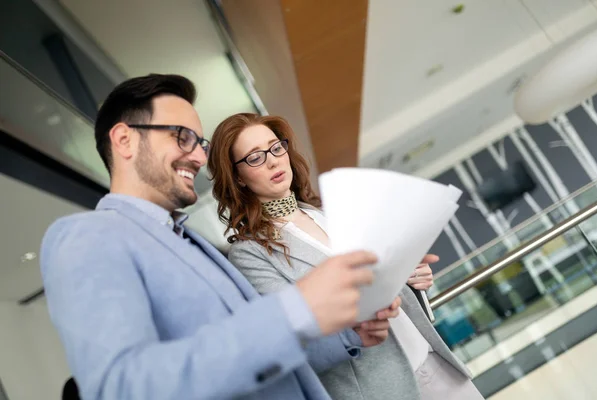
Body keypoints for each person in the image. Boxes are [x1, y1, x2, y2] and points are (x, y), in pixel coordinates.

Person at [40, 74, 402, 400]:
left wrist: (347, 336)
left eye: (200, 142)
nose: (198, 156)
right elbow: (121, 388)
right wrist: (294, 309)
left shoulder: (192, 242)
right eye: (182, 137)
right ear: (124, 140)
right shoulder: (85, 237)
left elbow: (261, 352)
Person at [207, 113, 485, 400]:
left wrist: (412, 279)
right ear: (237, 177)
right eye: (255, 157)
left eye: (276, 147)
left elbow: (389, 285)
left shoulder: (330, 212)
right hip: (380, 391)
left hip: (435, 364)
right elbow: (295, 332)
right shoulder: (249, 253)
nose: (273, 160)